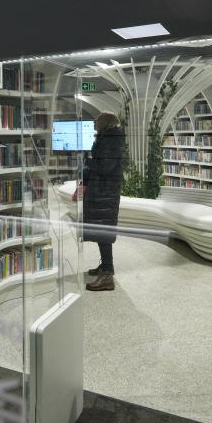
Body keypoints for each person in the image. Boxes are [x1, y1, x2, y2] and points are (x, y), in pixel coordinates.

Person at [80, 112, 125, 292]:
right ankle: (107, 266)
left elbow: (105, 167)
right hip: (102, 191)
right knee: (102, 231)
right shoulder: (108, 138)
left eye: (97, 119)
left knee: (104, 232)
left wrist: (87, 161)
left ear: (106, 122)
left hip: (105, 192)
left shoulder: (111, 140)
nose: (94, 121)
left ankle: (107, 276)